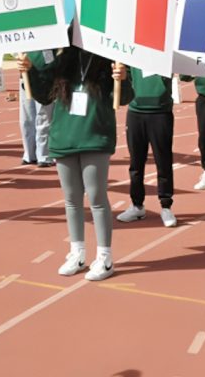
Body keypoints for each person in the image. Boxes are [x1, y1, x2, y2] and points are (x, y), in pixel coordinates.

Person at [20, 47, 132, 281]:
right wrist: (28, 72)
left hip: (95, 136)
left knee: (97, 198)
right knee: (71, 200)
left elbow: (122, 98)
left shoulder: (111, 58)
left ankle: (104, 257)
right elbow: (43, 95)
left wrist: (122, 78)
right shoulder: (63, 59)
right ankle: (77, 252)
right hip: (64, 137)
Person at [117, 66, 176, 228]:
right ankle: (137, 205)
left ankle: (166, 206)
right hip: (136, 112)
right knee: (136, 163)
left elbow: (186, 75)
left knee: (163, 162)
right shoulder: (133, 49)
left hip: (161, 112)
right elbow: (125, 74)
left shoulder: (168, 47)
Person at [18, 52, 54, 167]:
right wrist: (20, 59)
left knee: (43, 116)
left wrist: (37, 63)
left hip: (44, 77)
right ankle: (29, 154)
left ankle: (44, 155)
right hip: (25, 76)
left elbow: (50, 57)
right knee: (26, 118)